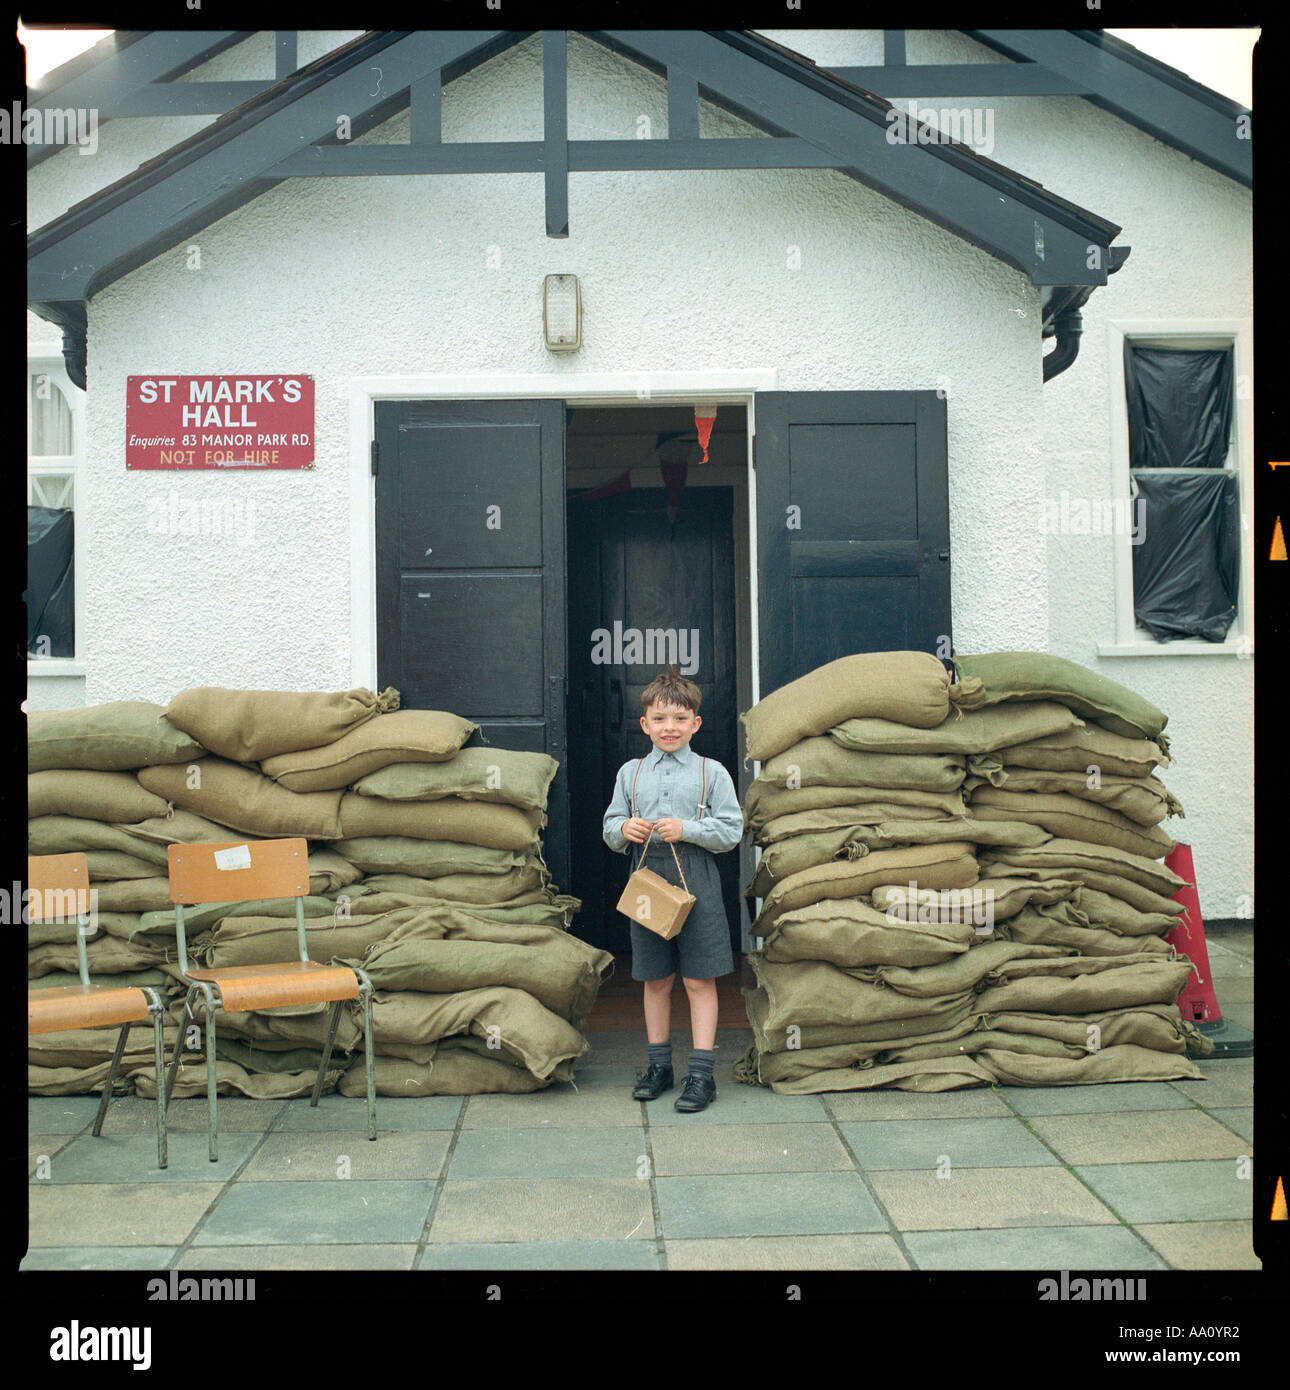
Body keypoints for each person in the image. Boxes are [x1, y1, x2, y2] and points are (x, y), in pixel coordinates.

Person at [602, 666, 744, 1112]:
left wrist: (689, 828)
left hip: (697, 875)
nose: (670, 728)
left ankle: (701, 1074)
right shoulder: (631, 772)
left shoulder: (711, 772)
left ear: (696, 724)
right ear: (644, 724)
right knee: (655, 978)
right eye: (660, 719)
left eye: (680, 719)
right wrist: (625, 827)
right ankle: (659, 1066)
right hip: (646, 878)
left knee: (700, 978)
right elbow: (609, 828)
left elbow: (732, 830)